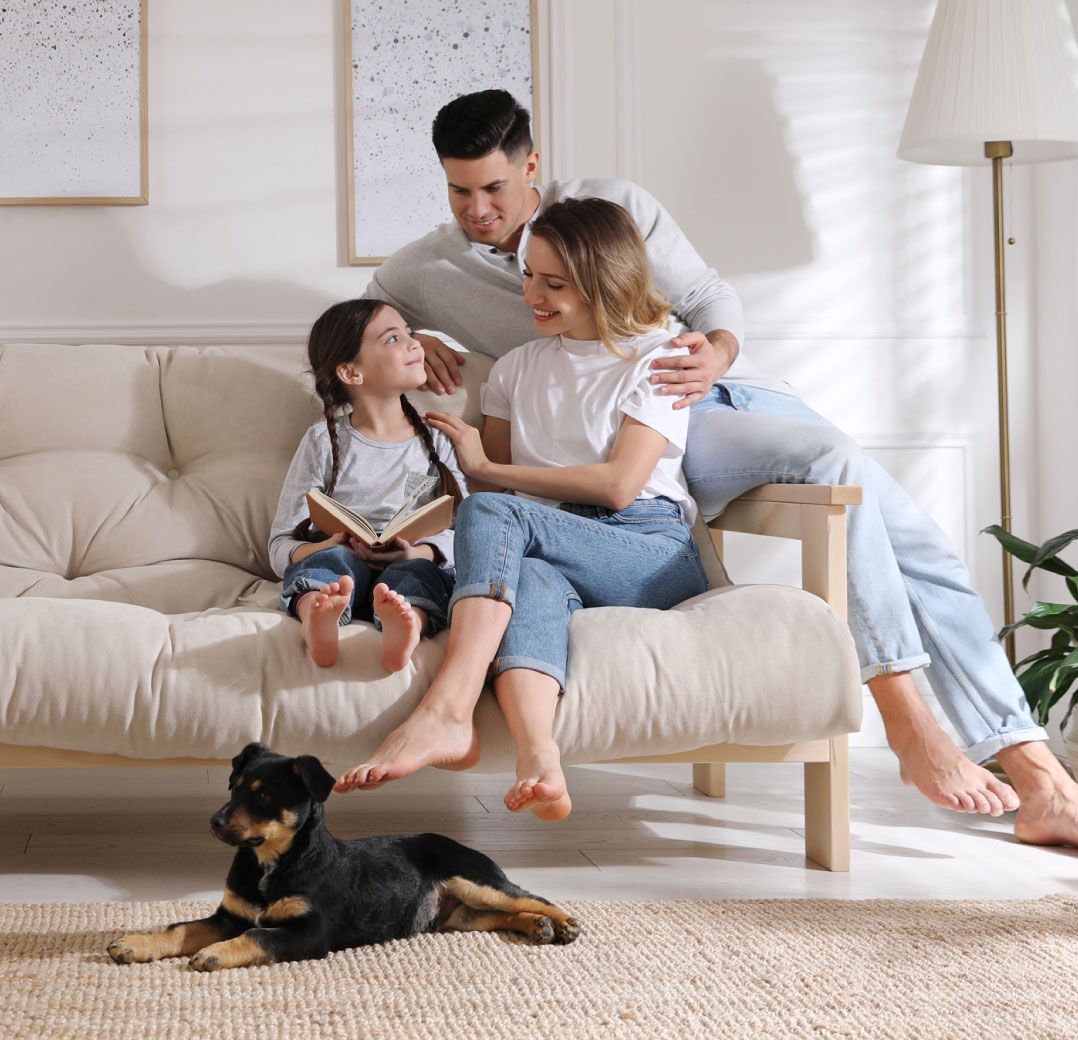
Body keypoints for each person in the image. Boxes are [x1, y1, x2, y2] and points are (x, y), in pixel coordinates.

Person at [358, 89, 1078, 847]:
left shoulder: (610, 204)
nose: (478, 209)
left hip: (715, 393)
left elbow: (706, 296)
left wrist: (718, 354)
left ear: (531, 165)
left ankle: (1028, 769)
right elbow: (361, 316)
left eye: (494, 188)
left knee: (916, 544)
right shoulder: (434, 267)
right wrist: (411, 334)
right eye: (459, 191)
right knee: (836, 468)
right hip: (642, 429)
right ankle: (950, 740)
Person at [334, 197, 709, 820]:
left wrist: (485, 469)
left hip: (646, 549)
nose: (532, 294)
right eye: (529, 274)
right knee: (524, 574)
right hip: (550, 547)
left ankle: (447, 708)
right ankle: (540, 758)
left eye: (554, 284)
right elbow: (498, 512)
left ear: (603, 280)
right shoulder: (513, 370)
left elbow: (619, 485)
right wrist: (423, 543)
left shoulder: (662, 359)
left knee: (492, 512)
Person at [269, 299, 466, 673]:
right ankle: (317, 616)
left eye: (409, 332)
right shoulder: (322, 441)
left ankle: (407, 626)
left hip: (409, 563)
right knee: (330, 563)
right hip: (341, 564)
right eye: (393, 338)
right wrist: (328, 544)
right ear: (351, 372)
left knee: (419, 576)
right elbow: (279, 545)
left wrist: (418, 553)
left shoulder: (437, 440)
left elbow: (468, 536)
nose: (415, 343)